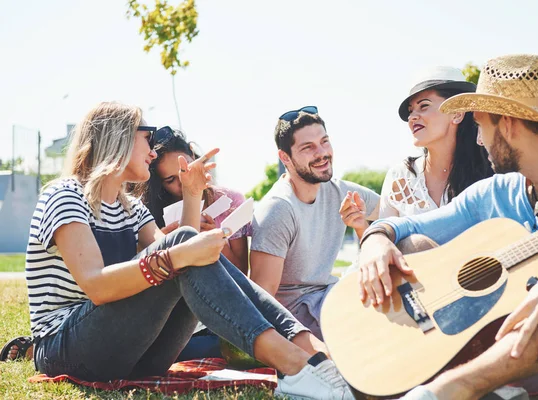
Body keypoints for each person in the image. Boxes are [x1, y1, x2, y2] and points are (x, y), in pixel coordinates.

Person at [25, 101, 354, 399]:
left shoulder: (130, 209)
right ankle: (295, 364)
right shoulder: (66, 196)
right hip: (65, 348)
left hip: (134, 354)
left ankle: (319, 358)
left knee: (190, 250)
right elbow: (96, 286)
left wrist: (192, 194)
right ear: (119, 139)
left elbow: (182, 261)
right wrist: (178, 252)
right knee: (184, 249)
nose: (152, 152)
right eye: (147, 138)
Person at [357, 54, 538, 399]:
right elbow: (408, 227)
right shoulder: (497, 192)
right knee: (416, 248)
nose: (479, 139)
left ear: (509, 125)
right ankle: (417, 371)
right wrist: (376, 238)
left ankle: (454, 387)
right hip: (512, 352)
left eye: (482, 125)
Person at [251, 106, 380, 340]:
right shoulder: (277, 209)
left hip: (332, 298)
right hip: (296, 319)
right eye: (308, 147)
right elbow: (262, 301)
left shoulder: (341, 191)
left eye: (324, 142)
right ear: (285, 157)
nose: (322, 153)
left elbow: (398, 216)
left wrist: (363, 229)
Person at [132, 126, 252, 362]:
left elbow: (241, 272)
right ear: (159, 184)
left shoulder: (229, 201)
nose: (183, 182)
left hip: (218, 314)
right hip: (173, 321)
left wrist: (215, 238)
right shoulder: (147, 212)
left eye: (186, 169)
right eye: (171, 180)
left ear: (195, 159)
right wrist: (167, 240)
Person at [380, 66, 493, 218]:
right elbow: (382, 238)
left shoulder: (492, 174)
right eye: (411, 110)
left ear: (457, 114)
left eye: (424, 106)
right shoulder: (399, 177)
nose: (412, 117)